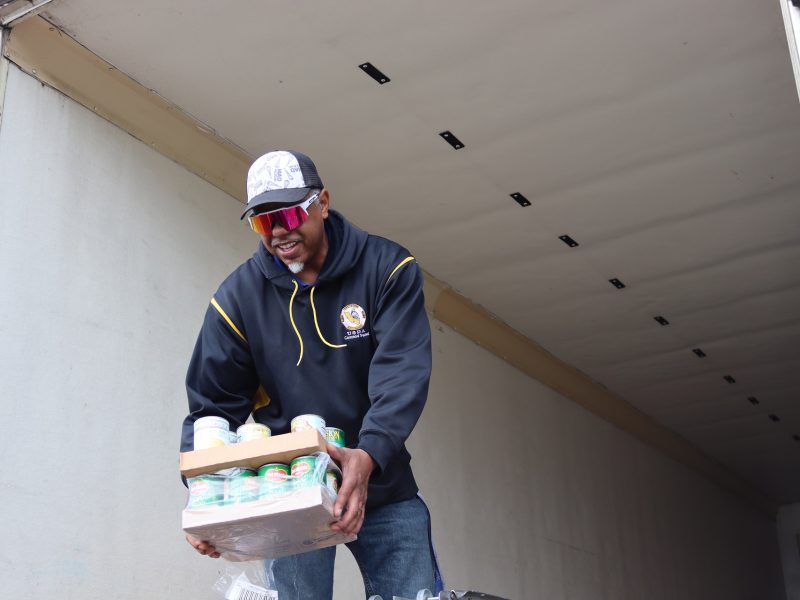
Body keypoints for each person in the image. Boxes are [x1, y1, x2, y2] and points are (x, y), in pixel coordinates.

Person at [181, 150, 440, 599]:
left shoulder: (386, 268)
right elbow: (212, 407)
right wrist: (205, 497)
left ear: (322, 202)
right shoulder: (238, 299)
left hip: (381, 480)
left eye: (288, 213)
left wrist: (370, 453)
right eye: (263, 221)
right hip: (289, 486)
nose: (279, 231)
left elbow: (402, 374)